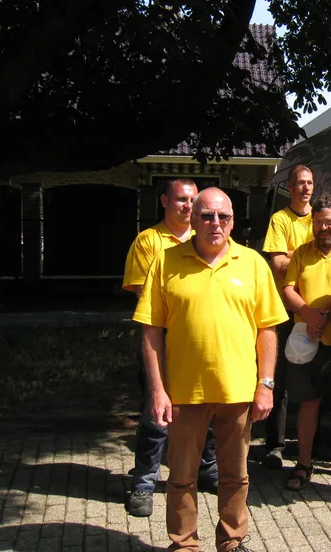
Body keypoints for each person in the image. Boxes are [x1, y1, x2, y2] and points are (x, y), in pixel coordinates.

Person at [134, 188, 288, 552]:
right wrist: (157, 390)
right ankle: (184, 544)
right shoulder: (166, 262)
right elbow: (151, 330)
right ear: (193, 218)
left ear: (233, 220)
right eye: (206, 216)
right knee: (182, 478)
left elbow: (268, 329)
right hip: (184, 393)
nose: (216, 223)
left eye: (224, 217)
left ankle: (232, 542)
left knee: (235, 476)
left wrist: (266, 384)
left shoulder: (252, 263)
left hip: (239, 392)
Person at [122, 178, 218, 518]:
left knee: (203, 406)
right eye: (180, 199)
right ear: (164, 201)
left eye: (192, 200)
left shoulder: (202, 238)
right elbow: (141, 292)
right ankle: (144, 482)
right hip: (161, 340)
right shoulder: (148, 242)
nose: (187, 206)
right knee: (156, 410)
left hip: (198, 341)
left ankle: (208, 470)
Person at [282, 193, 331, 489]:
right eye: (318, 223)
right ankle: (303, 462)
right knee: (309, 402)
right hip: (307, 341)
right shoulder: (301, 253)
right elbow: (288, 289)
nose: (323, 228)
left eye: (329, 222)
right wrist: (307, 313)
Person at [260, 164, 315, 468]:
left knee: (314, 378)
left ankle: (313, 442)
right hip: (284, 309)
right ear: (290, 187)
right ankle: (275, 445)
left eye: (309, 183)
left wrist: (295, 254)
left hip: (317, 307)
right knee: (279, 379)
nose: (305, 188)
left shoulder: (320, 216)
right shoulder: (280, 220)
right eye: (300, 183)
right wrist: (311, 254)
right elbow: (278, 265)